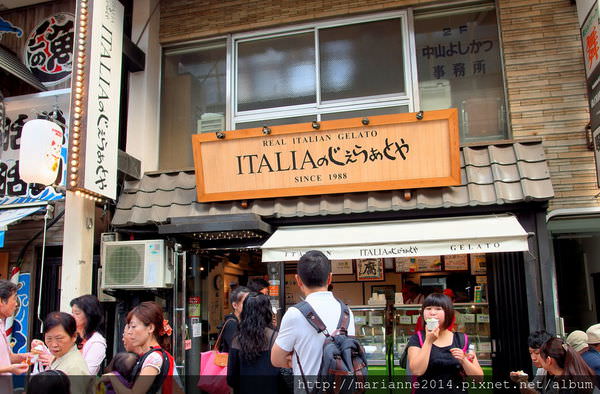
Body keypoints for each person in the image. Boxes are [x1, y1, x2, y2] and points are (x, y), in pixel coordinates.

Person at [271, 250, 355, 378]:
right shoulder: (347, 312)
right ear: (330, 278)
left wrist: (299, 360)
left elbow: (276, 359)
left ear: (298, 280)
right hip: (341, 387)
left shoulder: (294, 314)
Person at [407, 293, 483, 393]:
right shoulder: (417, 338)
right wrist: (429, 341)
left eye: (438, 309)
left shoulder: (461, 339)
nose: (432, 313)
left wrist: (464, 360)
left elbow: (478, 380)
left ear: (448, 312)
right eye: (428, 308)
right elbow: (417, 371)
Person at [102, 301, 175, 394]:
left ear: (150, 328)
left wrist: (113, 378)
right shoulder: (152, 355)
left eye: (133, 326)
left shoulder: (154, 358)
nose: (129, 332)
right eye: (129, 327)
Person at [227, 293, 280, 394]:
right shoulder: (276, 338)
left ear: (245, 311)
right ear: (267, 311)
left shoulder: (237, 340)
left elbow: (231, 379)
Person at [42, 312, 93, 394]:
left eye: (59, 338)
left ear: (74, 336)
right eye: (49, 338)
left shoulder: (75, 367)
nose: (53, 344)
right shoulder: (59, 357)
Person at [0, 279, 29, 393]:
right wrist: (10, 369)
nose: (16, 304)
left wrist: (26, 356)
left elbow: (8, 357)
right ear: (2, 301)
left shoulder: (2, 323)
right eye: (14, 298)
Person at [70, 294, 107, 375]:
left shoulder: (97, 342)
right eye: (72, 313)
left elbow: (87, 373)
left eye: (77, 313)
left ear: (89, 315)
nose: (72, 317)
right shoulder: (70, 335)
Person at [510, 330, 553, 394]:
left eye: (537, 353)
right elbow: (531, 388)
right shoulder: (542, 369)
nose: (533, 358)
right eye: (530, 353)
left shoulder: (559, 371)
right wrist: (522, 381)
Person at [218, 286, 251, 353]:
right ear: (235, 305)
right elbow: (238, 349)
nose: (249, 305)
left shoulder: (244, 321)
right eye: (245, 302)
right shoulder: (231, 324)